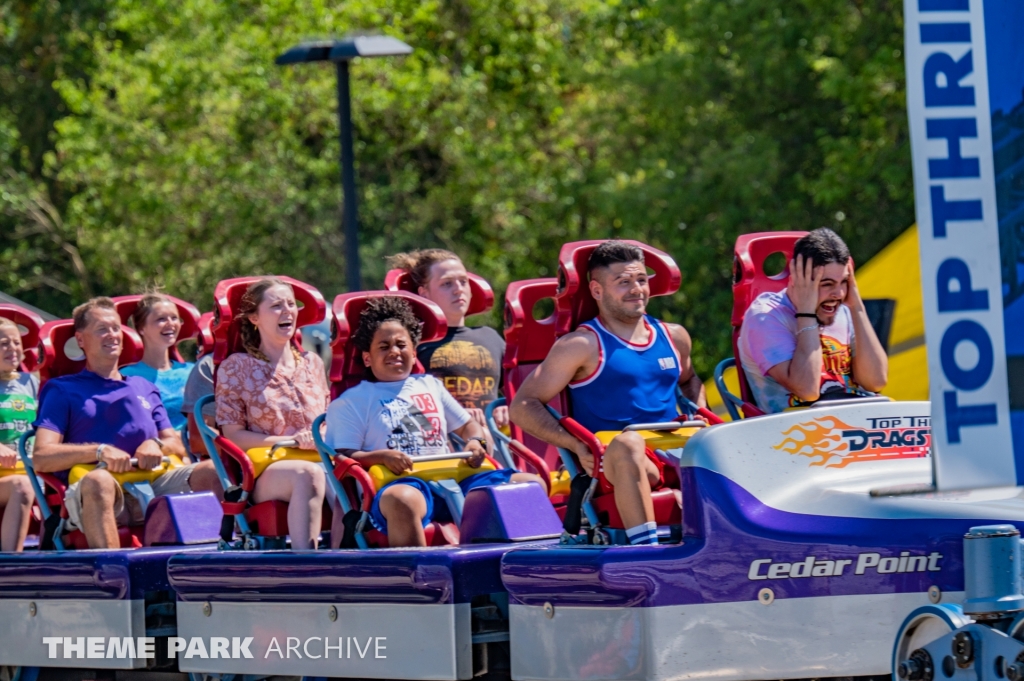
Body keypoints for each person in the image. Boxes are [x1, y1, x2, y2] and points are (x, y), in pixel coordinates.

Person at [509, 240, 706, 546]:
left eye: (641, 280)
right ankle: (645, 552)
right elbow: (522, 406)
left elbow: (690, 380)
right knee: (629, 444)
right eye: (624, 282)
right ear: (597, 290)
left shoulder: (674, 336)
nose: (636, 289)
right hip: (617, 459)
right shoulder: (581, 345)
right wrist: (576, 445)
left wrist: (699, 421)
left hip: (678, 452)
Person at [324, 296, 543, 548]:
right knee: (403, 500)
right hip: (401, 483)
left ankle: (527, 565)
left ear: (413, 352)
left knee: (530, 485)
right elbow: (343, 456)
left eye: (401, 345)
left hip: (454, 478)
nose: (394, 351)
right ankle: (418, 571)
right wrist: (381, 456)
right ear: (367, 358)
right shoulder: (352, 401)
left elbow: (467, 426)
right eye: (384, 347)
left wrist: (475, 442)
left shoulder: (430, 385)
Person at [32, 298, 222, 549]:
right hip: (98, 490)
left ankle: (217, 557)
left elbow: (175, 444)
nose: (112, 335)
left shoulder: (144, 387)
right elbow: (42, 457)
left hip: (152, 483)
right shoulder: (62, 389)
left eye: (115, 328)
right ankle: (112, 568)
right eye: (102, 329)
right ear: (80, 340)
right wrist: (99, 451)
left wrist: (155, 444)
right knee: (99, 482)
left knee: (212, 471)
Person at [215, 278, 332, 549]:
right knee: (308, 474)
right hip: (266, 469)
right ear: (254, 317)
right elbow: (233, 435)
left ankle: (356, 554)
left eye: (291, 304)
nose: (287, 310)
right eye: (276, 305)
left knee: (354, 473)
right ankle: (307, 562)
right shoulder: (237, 367)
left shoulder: (313, 363)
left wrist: (321, 436)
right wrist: (292, 442)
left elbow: (329, 420)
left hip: (320, 457)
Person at [737, 228, 888, 413]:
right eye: (827, 284)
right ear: (797, 279)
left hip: (854, 420)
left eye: (844, 282)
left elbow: (876, 381)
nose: (839, 294)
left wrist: (857, 307)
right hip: (795, 427)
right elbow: (807, 390)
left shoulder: (843, 311)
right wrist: (806, 312)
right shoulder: (765, 317)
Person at [387, 250, 508, 432]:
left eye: (463, 282)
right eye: (447, 283)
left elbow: (521, 396)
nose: (459, 289)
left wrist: (506, 407)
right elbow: (395, 404)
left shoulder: (491, 338)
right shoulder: (410, 344)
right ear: (424, 293)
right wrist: (456, 418)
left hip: (494, 444)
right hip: (439, 444)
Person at [120, 293, 194, 431]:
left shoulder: (192, 371)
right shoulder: (126, 377)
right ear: (141, 328)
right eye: (161, 319)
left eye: (174, 318)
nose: (170, 323)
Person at [0, 319, 36, 551]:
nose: (12, 348)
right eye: (4, 343)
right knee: (21, 486)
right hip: (8, 477)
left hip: (29, 469)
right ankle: (11, 563)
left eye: (16, 342)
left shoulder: (30, 382)